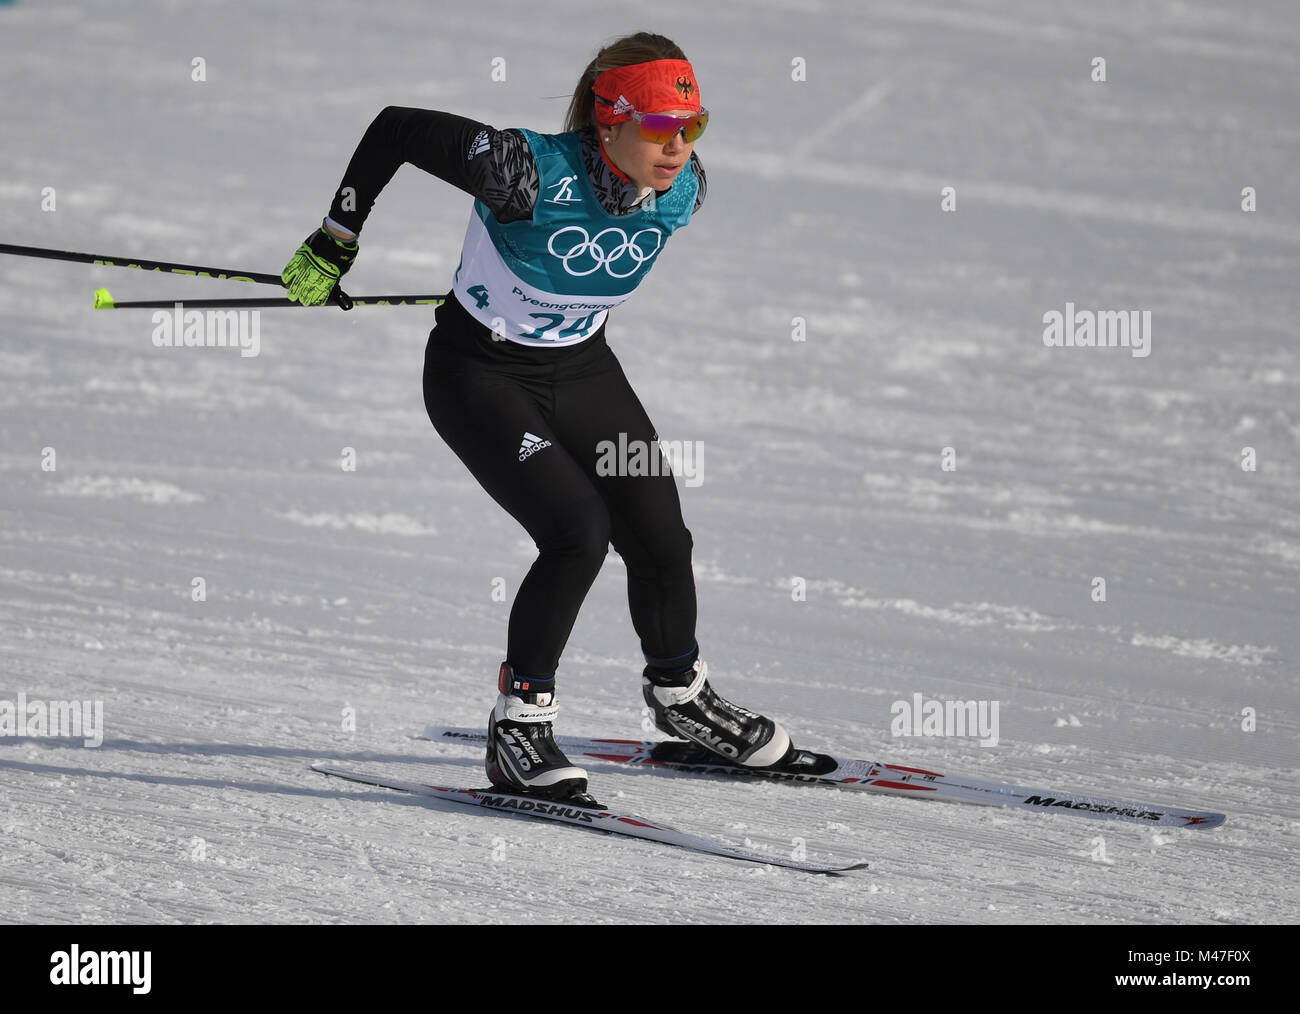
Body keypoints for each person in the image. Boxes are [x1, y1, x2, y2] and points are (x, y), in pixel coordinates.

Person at [281, 32, 804, 804]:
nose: (678, 148)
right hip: (479, 376)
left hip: (582, 370)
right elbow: (394, 126)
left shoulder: (685, 189)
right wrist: (335, 243)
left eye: (692, 128)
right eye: (661, 127)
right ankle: (519, 726)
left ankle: (681, 699)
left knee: (660, 532)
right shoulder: (522, 171)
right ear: (610, 121)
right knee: (577, 534)